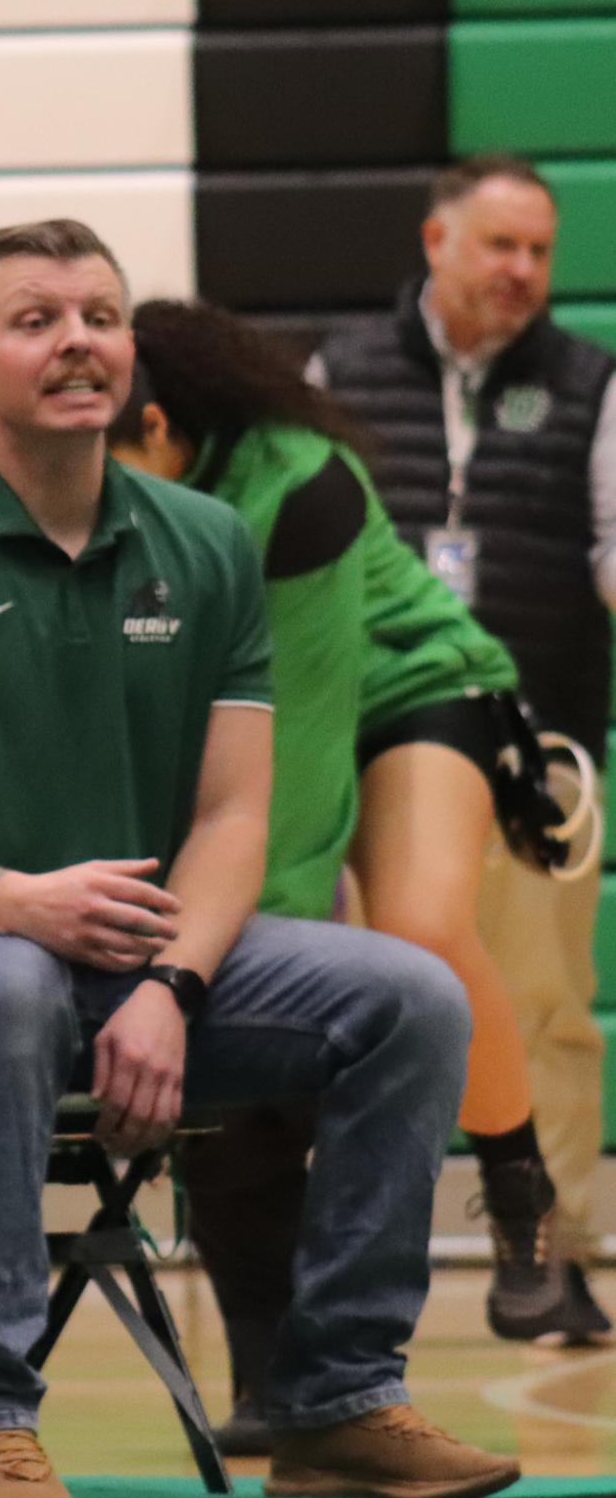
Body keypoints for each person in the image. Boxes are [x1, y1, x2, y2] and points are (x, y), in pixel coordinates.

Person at [0, 217, 520, 1498]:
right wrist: (14, 899)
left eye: (100, 315)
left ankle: (333, 1397)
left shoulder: (206, 542)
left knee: (409, 995)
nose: (78, 340)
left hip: (136, 960)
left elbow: (237, 810)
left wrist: (173, 983)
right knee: (7, 982)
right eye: (36, 320)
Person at [107, 301, 594, 1456]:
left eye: (111, 451)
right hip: (296, 718)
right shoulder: (146, 497)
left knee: (419, 924)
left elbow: (304, 735)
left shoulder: (302, 485)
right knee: (244, 1031)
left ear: (164, 427)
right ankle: (267, 1383)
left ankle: (519, 1198)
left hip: (414, 688)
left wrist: (228, 952)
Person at [316, 156, 613, 1340]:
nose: (523, 273)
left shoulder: (590, 384)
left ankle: (554, 1258)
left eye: (539, 251)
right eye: (499, 246)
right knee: (343, 1001)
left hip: (536, 751)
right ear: (435, 242)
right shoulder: (334, 373)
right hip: (369, 748)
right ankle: (330, 1261)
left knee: (543, 1007)